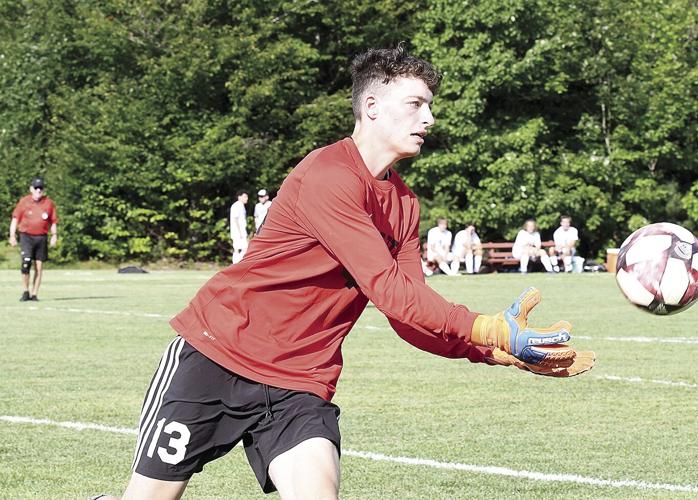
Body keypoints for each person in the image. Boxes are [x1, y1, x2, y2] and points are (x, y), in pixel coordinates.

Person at [102, 45, 593, 500]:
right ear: (373, 106)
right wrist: (489, 328)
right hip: (216, 357)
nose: (430, 117)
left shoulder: (403, 204)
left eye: (429, 106)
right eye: (417, 103)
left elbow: (409, 314)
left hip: (300, 382)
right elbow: (389, 291)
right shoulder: (329, 175)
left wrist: (494, 350)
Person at [9, 178, 58, 301]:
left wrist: (54, 235)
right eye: (36, 188)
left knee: (39, 267)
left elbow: (53, 221)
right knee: (26, 263)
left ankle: (34, 294)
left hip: (41, 237)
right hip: (26, 236)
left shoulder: (48, 203)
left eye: (40, 188)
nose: (38, 190)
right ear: (31, 189)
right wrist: (12, 235)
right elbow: (15, 219)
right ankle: (25, 291)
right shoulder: (24, 202)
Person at [229, 190, 249, 264]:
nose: (246, 198)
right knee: (243, 248)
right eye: (245, 196)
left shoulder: (240, 205)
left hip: (240, 231)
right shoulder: (238, 205)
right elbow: (235, 219)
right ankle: (237, 264)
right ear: (239, 197)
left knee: (241, 248)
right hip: (238, 232)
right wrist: (240, 232)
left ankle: (237, 264)